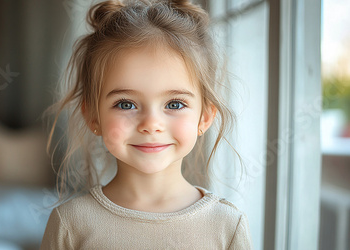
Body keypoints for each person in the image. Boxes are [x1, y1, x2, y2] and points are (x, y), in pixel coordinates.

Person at [40, 0, 253, 249]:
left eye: (174, 104)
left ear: (204, 117)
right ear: (93, 117)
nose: (151, 124)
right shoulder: (71, 224)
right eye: (126, 104)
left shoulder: (227, 226)